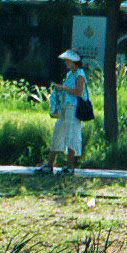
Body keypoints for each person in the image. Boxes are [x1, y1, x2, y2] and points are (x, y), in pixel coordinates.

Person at [47, 48, 88, 176]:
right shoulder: (70, 74)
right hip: (66, 107)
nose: (65, 62)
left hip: (74, 108)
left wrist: (63, 88)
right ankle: (49, 165)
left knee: (72, 135)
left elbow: (78, 92)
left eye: (67, 60)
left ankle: (70, 166)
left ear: (73, 61)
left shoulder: (80, 74)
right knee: (57, 133)